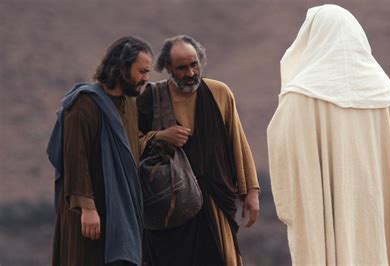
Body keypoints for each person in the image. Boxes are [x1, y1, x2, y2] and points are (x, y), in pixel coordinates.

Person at [267, 4, 390, 265]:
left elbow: (281, 149)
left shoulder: (299, 97)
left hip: (324, 214)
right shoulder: (388, 96)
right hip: (372, 209)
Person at [136, 35, 260, 266]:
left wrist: (250, 191)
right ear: (168, 68)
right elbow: (129, 143)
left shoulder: (219, 92)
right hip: (170, 207)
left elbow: (237, 142)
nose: (191, 73)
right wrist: (160, 136)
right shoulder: (151, 98)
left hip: (214, 201)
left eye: (194, 64)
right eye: (182, 68)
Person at [47, 36, 153, 266]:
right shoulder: (83, 105)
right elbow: (75, 158)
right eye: (142, 71)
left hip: (120, 210)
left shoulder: (130, 104)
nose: (146, 78)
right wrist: (87, 208)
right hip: (89, 213)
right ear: (123, 68)